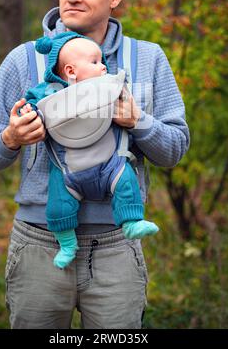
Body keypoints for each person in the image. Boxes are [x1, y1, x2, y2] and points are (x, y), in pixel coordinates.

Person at [0, 0, 190, 329]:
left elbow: (175, 148)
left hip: (117, 249)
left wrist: (139, 121)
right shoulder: (24, 60)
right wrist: (10, 138)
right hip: (38, 245)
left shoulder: (147, 59)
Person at [19, 32, 159, 269]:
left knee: (126, 180)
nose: (103, 67)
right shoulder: (48, 92)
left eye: (102, 62)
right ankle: (66, 243)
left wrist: (133, 113)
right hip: (68, 172)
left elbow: (121, 91)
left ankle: (132, 222)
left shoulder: (106, 85)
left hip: (109, 165)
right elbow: (31, 105)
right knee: (59, 205)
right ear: (71, 71)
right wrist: (27, 116)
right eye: (95, 62)